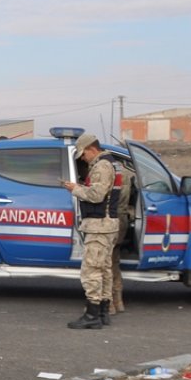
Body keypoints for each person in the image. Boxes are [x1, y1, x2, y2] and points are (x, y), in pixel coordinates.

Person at [61, 133, 121, 330]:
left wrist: (75, 189)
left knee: (92, 270)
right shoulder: (111, 163)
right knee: (104, 269)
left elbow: (96, 195)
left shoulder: (102, 166)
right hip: (106, 226)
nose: (83, 159)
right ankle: (103, 312)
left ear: (91, 149)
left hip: (99, 226)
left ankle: (92, 314)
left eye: (83, 154)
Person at [110, 163, 136, 315]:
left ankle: (108, 304)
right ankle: (118, 301)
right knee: (114, 261)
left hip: (112, 219)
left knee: (104, 263)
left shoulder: (106, 170)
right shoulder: (124, 172)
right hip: (122, 220)